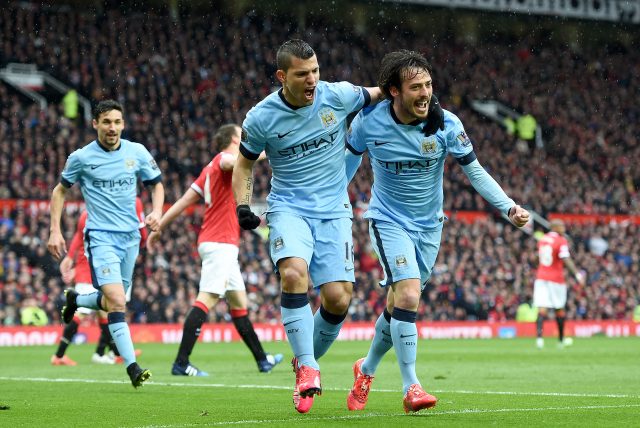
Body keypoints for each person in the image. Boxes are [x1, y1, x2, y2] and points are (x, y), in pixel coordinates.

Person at [343, 50, 530, 413]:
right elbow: (345, 170)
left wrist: (507, 206)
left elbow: (475, 171)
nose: (425, 92)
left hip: (430, 227)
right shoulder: (368, 122)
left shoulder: (447, 124)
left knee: (398, 304)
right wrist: (328, 210)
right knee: (409, 295)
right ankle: (411, 386)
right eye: (415, 86)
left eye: (428, 84)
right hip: (387, 220)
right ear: (394, 91)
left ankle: (365, 370)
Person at [231, 39, 385, 413]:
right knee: (294, 275)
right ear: (283, 76)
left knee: (338, 299)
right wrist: (242, 205)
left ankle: (303, 361)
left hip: (334, 211)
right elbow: (245, 164)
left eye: (315, 70)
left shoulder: (339, 95)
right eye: (303, 74)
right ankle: (308, 369)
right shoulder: (261, 117)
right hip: (289, 209)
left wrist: (413, 82)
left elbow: (380, 92)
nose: (312, 79)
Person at [147, 124, 283, 377]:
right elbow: (235, 162)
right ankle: (181, 362)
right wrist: (268, 148)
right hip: (219, 243)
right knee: (207, 298)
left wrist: (159, 228)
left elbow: (183, 202)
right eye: (241, 132)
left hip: (221, 243)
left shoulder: (207, 170)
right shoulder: (222, 159)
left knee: (239, 304)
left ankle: (262, 360)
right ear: (234, 138)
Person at [47, 99, 164, 388]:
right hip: (100, 238)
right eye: (106, 122)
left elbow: (156, 184)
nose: (112, 128)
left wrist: (157, 211)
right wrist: (54, 231)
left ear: (123, 124)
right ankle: (133, 368)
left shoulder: (136, 152)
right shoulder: (82, 158)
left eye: (117, 122)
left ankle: (75, 299)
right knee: (117, 301)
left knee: (115, 300)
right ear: (95, 124)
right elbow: (59, 192)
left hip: (131, 238)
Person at [51, 199, 147, 366]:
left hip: (93, 268)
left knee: (106, 312)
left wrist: (69, 258)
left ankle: (115, 352)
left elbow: (78, 236)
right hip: (91, 269)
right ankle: (59, 355)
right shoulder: (106, 211)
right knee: (83, 312)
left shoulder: (87, 214)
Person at [534, 219, 585, 349]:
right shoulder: (561, 240)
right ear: (554, 227)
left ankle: (539, 340)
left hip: (541, 277)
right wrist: (577, 275)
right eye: (561, 226)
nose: (564, 228)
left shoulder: (543, 239)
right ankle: (561, 340)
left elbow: (537, 258)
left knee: (542, 308)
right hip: (555, 279)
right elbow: (565, 259)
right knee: (559, 308)